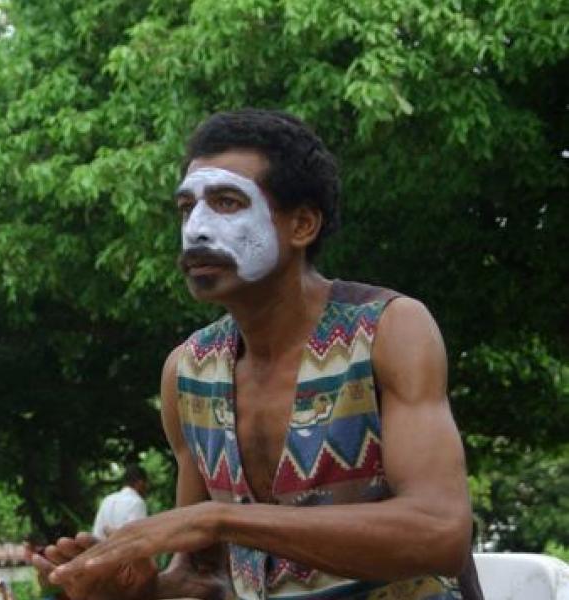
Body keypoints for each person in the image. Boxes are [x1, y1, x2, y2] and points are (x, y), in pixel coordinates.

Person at [33, 109, 483, 600]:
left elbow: (440, 533)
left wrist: (219, 518)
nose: (196, 230)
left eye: (226, 202)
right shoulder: (187, 372)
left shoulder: (388, 329)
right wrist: (133, 589)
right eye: (187, 208)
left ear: (302, 225)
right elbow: (202, 578)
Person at [90, 464, 149, 541]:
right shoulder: (137, 502)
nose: (147, 488)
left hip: (103, 550)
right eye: (147, 484)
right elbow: (136, 538)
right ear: (140, 483)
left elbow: (96, 535)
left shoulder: (107, 500)